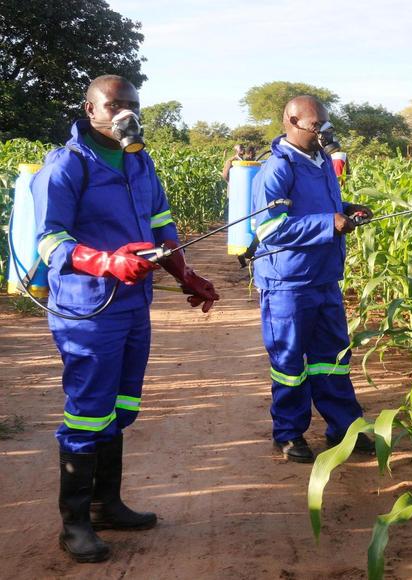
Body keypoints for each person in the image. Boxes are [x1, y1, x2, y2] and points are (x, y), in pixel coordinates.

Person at [31, 75, 220, 563]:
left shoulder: (139, 158)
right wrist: (106, 261)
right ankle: (74, 525)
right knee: (87, 410)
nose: (124, 113)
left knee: (120, 406)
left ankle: (105, 504)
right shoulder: (66, 165)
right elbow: (50, 240)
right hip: (88, 307)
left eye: (132, 105)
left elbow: (160, 224)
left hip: (134, 302)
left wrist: (185, 274)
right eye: (114, 104)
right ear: (90, 109)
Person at [250, 95, 374, 463]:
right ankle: (288, 435)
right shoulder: (277, 168)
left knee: (332, 358)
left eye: (325, 125)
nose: (323, 133)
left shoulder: (321, 163)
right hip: (288, 282)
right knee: (289, 362)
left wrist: (348, 210)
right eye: (315, 126)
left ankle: (343, 430)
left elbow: (325, 209)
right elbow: (270, 228)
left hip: (324, 277)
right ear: (291, 120)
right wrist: (328, 223)